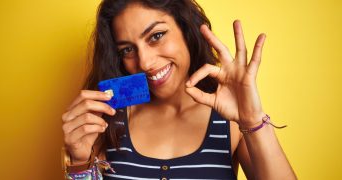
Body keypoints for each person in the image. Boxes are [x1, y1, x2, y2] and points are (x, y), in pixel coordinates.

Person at [61, 0, 297, 179]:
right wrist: (80, 162)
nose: (144, 62)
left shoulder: (231, 121)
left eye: (156, 36)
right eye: (127, 50)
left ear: (187, 30)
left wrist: (253, 119)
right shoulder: (107, 122)